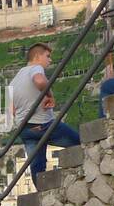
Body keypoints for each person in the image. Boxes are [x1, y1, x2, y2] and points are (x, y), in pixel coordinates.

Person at [11, 42, 80, 178]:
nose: (50, 60)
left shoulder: (15, 79)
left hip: (25, 129)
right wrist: (50, 96)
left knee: (37, 167)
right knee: (81, 143)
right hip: (43, 125)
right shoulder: (36, 68)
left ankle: (42, 195)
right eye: (47, 56)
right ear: (37, 56)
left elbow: (12, 110)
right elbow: (40, 81)